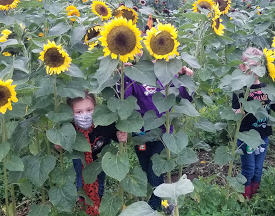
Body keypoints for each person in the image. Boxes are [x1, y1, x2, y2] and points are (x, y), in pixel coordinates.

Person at [118, 60, 193, 210]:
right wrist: (123, 77)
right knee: (146, 167)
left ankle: (159, 203)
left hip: (163, 133)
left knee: (155, 169)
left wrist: (186, 79)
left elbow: (185, 97)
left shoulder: (168, 74)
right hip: (141, 133)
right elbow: (125, 99)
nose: (153, 59)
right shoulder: (136, 74)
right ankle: (160, 197)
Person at [232, 47, 275, 200]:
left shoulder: (266, 87)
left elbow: (273, 105)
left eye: (259, 65)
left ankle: (255, 196)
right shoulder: (240, 87)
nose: (256, 68)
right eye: (252, 65)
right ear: (242, 67)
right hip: (246, 136)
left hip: (263, 135)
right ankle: (244, 198)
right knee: (248, 168)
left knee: (258, 169)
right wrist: (238, 112)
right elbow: (235, 109)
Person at [55, 91, 127, 215]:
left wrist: (121, 135)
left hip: (101, 156)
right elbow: (63, 144)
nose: (85, 115)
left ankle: (97, 202)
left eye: (89, 110)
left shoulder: (104, 123)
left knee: (99, 180)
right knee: (81, 179)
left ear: (96, 108)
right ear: (70, 113)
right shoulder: (69, 127)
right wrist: (59, 145)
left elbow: (115, 133)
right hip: (81, 157)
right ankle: (85, 206)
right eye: (78, 112)